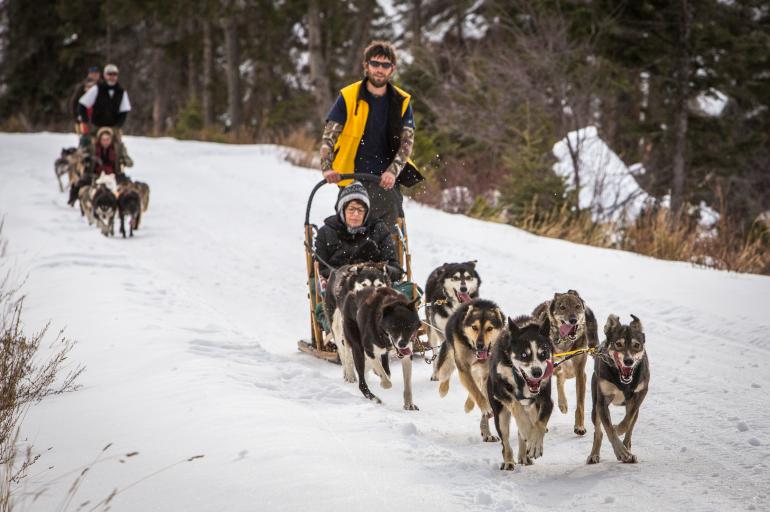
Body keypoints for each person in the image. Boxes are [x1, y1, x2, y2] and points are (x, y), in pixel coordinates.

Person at [319, 40, 423, 231]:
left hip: (385, 180)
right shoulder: (349, 96)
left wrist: (393, 171)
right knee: (349, 227)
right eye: (375, 64)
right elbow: (329, 136)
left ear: (392, 69)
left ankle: (391, 261)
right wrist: (327, 167)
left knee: (388, 233)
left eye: (385, 65)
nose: (379, 69)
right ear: (366, 66)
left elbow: (406, 143)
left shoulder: (401, 101)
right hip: (352, 176)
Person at [315, 181, 402, 281]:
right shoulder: (327, 232)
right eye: (351, 209)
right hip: (338, 286)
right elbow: (319, 270)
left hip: (374, 286)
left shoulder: (378, 230)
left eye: (360, 210)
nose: (356, 214)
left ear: (366, 212)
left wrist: (382, 270)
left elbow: (395, 270)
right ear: (342, 210)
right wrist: (347, 273)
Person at [78, 63, 133, 167]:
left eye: (114, 74)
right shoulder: (97, 89)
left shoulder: (121, 92)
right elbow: (82, 104)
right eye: (109, 74)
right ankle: (83, 165)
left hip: (113, 126)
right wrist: (86, 122)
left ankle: (120, 165)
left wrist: (117, 126)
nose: (112, 76)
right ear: (104, 75)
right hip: (96, 125)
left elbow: (124, 112)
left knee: (118, 146)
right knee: (86, 142)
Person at [68, 127, 122, 206]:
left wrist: (124, 160)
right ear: (99, 139)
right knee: (80, 183)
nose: (105, 142)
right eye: (103, 139)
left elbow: (128, 161)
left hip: (113, 175)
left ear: (111, 140)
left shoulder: (117, 148)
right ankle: (73, 200)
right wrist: (86, 159)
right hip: (94, 174)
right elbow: (81, 155)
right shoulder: (93, 147)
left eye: (107, 139)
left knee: (125, 186)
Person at [70, 66, 101, 132]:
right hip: (85, 116)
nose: (94, 76)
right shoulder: (82, 86)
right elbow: (74, 102)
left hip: (99, 117)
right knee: (86, 137)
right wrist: (76, 117)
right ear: (89, 74)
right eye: (92, 74)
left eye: (96, 74)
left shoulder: (102, 86)